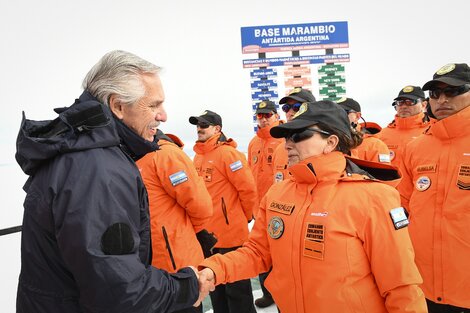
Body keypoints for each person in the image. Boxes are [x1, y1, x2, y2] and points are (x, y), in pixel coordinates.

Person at [14, 50, 210, 313]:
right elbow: (119, 292)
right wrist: (185, 286)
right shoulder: (97, 170)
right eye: (153, 105)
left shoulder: (77, 153)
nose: (163, 115)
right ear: (117, 106)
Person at [198, 101, 427, 313]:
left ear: (331, 142)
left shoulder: (373, 197)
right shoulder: (278, 193)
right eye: (286, 135)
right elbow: (258, 252)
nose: (287, 143)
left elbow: (401, 285)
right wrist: (214, 270)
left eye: (299, 135)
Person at [398, 63, 470, 313]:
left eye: (453, 91)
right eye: (435, 94)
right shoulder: (416, 148)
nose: (442, 99)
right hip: (423, 284)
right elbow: (402, 206)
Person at [136, 129, 215, 313]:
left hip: (175, 264)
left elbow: (201, 207)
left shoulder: (165, 155)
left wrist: (181, 233)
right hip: (149, 268)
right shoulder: (132, 155)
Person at [189, 110, 258, 313]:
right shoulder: (198, 156)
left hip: (231, 235)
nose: (199, 129)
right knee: (214, 289)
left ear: (217, 129)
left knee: (238, 293)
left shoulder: (229, 154)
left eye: (204, 125)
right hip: (208, 236)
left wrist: (244, 218)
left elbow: (248, 190)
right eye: (197, 125)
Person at [247, 100, 284, 308]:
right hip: (260, 208)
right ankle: (267, 293)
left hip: (279, 207)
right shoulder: (253, 142)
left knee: (279, 255)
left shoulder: (282, 141)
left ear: (276, 115)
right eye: (259, 116)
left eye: (267, 115)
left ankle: (280, 294)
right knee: (262, 251)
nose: (263, 119)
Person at [377, 85, 431, 167]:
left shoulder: (432, 131)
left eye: (410, 102)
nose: (404, 106)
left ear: (424, 105)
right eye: (400, 102)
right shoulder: (382, 135)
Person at [272, 87, 316, 184]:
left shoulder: (322, 146)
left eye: (297, 107)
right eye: (286, 108)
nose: (290, 113)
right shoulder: (280, 149)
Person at [336, 97, 391, 164]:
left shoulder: (375, 145)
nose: (338, 116)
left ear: (357, 116)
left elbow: (383, 173)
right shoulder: (328, 141)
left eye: (344, 112)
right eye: (335, 113)